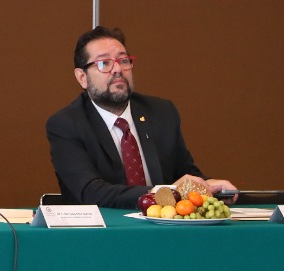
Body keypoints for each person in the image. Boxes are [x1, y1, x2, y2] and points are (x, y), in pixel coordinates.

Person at [46, 26, 236, 209]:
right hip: (104, 228)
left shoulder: (161, 112)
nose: (117, 69)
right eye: (104, 63)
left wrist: (210, 185)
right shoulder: (66, 124)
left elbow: (184, 175)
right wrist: (164, 192)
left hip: (163, 225)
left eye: (123, 60)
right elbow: (91, 192)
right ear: (82, 77)